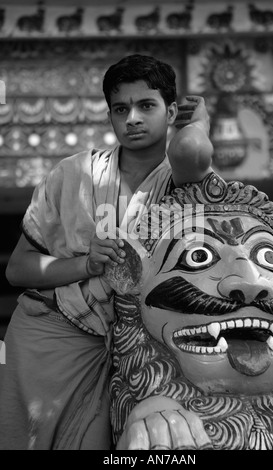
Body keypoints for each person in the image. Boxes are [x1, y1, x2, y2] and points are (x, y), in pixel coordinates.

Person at [0, 54, 213, 450]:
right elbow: (17, 270)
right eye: (120, 109)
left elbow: (193, 152)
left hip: (149, 351)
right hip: (51, 338)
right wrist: (85, 263)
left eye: (146, 106)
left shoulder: (184, 180)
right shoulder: (72, 174)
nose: (131, 118)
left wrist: (198, 124)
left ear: (170, 112)